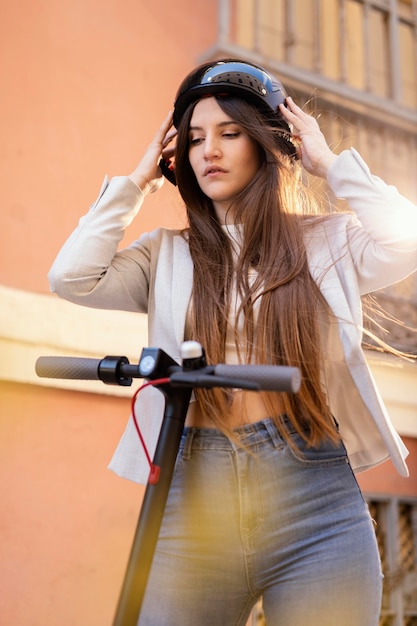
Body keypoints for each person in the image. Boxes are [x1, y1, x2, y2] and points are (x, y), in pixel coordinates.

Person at [48, 59, 417, 625]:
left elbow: (407, 241)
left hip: (312, 493)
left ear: (267, 143)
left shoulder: (327, 242)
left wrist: (328, 163)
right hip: (193, 489)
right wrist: (137, 182)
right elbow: (71, 277)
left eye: (230, 133)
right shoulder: (163, 253)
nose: (208, 151)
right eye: (194, 139)